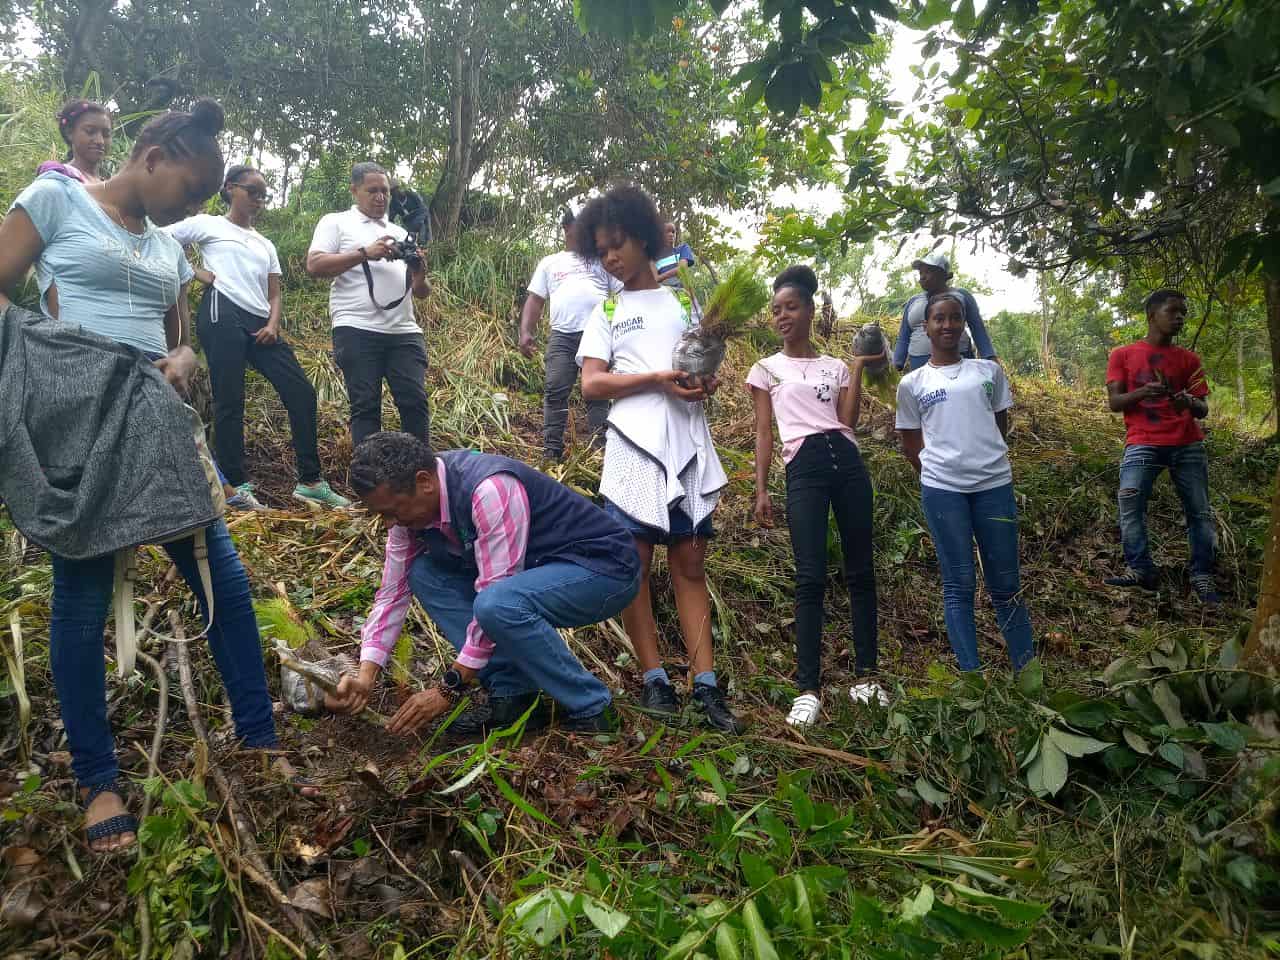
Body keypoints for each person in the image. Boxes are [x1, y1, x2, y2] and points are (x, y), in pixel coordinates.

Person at [0, 99, 308, 853]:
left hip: (160, 431)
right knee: (82, 595)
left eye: (205, 200)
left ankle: (258, 737)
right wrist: (56, 357)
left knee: (221, 580)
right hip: (82, 429)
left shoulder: (170, 251)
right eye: (192, 192)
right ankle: (97, 780)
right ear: (154, 156)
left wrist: (184, 357)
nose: (195, 208)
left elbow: (174, 344)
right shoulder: (56, 200)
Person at [326, 432, 640, 736]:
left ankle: (593, 707)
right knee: (425, 574)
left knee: (498, 604)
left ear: (423, 482)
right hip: (534, 575)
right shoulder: (407, 517)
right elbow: (391, 594)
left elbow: (497, 590)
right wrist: (366, 674)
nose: (390, 523)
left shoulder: (489, 489)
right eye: (382, 515)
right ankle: (513, 695)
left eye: (393, 511)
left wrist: (449, 687)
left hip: (604, 570)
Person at [574, 185, 743, 734]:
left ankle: (707, 686)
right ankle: (654, 680)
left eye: (617, 244)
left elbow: (699, 365)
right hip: (633, 447)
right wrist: (654, 380)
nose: (611, 258)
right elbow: (592, 384)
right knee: (634, 567)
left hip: (687, 442)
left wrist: (701, 382)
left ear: (645, 238)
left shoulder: (683, 301)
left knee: (691, 563)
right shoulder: (608, 310)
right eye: (601, 250)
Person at [166, 166, 350, 511]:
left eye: (263, 195)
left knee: (301, 392)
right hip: (223, 310)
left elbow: (274, 293)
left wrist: (274, 323)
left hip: (260, 322)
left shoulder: (265, 243)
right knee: (230, 398)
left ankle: (310, 482)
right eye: (252, 191)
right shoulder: (208, 224)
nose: (258, 200)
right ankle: (237, 486)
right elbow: (161, 237)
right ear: (230, 188)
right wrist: (195, 271)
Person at [748, 266, 884, 729]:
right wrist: (762, 487)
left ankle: (867, 677)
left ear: (810, 310)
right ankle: (808, 688)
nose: (781, 316)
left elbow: (849, 419)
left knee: (860, 569)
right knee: (809, 576)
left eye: (790, 308)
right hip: (802, 465)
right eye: (776, 310)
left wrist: (861, 367)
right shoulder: (766, 368)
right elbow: (764, 432)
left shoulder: (836, 366)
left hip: (846, 461)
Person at [895, 292, 1034, 673]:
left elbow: (998, 424)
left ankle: (1027, 670)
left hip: (994, 485)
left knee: (1006, 584)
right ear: (926, 327)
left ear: (964, 324)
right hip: (943, 490)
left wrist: (985, 457)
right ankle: (972, 675)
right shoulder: (912, 383)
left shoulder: (988, 372)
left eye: (955, 318)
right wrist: (937, 474)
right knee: (959, 584)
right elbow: (911, 443)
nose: (948, 325)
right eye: (939, 319)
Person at [1103, 290, 1217, 603]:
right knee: (1130, 505)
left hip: (1187, 443)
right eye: (1173, 311)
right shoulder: (1123, 355)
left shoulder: (1189, 359)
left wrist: (1188, 401)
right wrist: (1143, 393)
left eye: (1183, 312)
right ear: (1152, 314)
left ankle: (1202, 575)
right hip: (1142, 441)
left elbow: (1203, 409)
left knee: (1199, 511)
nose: (1180, 317)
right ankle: (1141, 570)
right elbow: (1115, 402)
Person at [306, 162, 432, 446]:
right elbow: (314, 265)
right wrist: (366, 253)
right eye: (372, 190)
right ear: (354, 190)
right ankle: (371, 483)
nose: (380, 197)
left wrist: (420, 273)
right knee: (366, 407)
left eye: (385, 191)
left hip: (403, 331)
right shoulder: (336, 222)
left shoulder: (399, 232)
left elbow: (421, 292)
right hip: (357, 328)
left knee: (415, 403)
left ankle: (421, 478)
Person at [518, 210, 622, 460]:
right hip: (562, 337)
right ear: (566, 228)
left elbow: (620, 295)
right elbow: (535, 299)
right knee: (555, 390)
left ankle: (600, 453)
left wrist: (617, 328)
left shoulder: (601, 260)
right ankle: (552, 451)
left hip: (597, 336)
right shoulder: (550, 262)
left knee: (597, 394)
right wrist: (525, 332)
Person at [892, 253, 996, 373]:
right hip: (919, 364)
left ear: (943, 274)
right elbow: (904, 336)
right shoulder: (913, 301)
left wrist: (990, 358)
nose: (922, 277)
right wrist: (897, 364)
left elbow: (978, 329)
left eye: (928, 272)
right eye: (921, 273)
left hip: (959, 361)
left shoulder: (961, 296)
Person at [37, 99, 112, 184]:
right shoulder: (56, 179)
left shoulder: (110, 187)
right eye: (90, 131)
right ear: (69, 133)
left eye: (106, 134)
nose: (100, 141)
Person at [654, 220, 696, 288]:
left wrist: (659, 278)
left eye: (673, 232)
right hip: (664, 294)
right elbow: (653, 279)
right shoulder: (654, 258)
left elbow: (681, 269)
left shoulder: (683, 248)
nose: (671, 234)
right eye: (667, 232)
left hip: (682, 292)